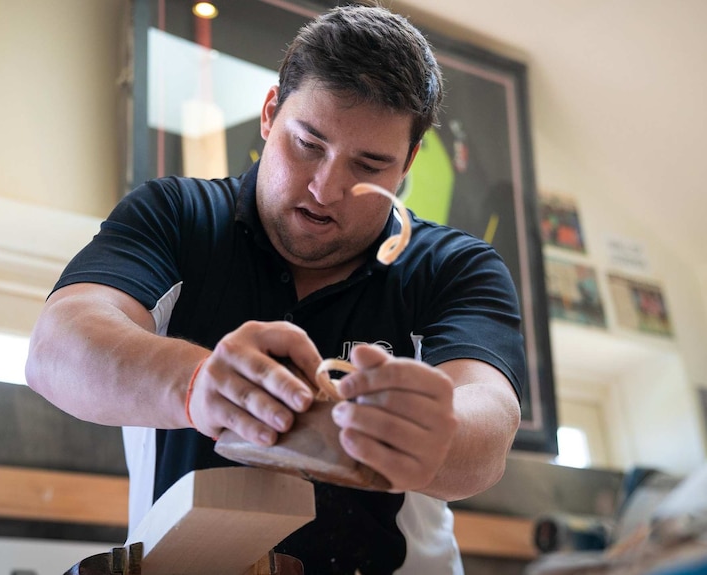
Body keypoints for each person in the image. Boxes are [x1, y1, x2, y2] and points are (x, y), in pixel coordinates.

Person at [26, 4, 524, 574]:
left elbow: (488, 426)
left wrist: (438, 435)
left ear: (407, 164)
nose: (326, 188)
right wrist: (198, 384)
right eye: (308, 143)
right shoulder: (175, 216)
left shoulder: (457, 267)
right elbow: (56, 348)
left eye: (368, 165)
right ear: (269, 113)